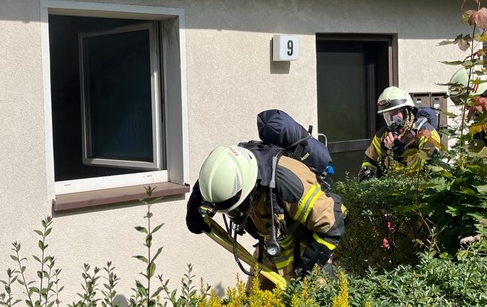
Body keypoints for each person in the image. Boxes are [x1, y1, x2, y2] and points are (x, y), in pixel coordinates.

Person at [186, 145, 346, 289]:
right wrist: (194, 205)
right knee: (253, 299)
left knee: (306, 299)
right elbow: (209, 179)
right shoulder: (232, 168)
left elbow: (332, 225)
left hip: (307, 248)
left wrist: (307, 270)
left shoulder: (290, 187)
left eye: (236, 210)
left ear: (249, 190)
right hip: (271, 250)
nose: (234, 215)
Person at [358, 86, 442, 181]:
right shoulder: (383, 135)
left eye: (394, 113)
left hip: (419, 192)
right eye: (387, 115)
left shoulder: (426, 133)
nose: (391, 119)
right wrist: (366, 174)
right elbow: (370, 159)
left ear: (407, 111)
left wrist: (402, 154)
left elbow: (431, 169)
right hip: (392, 191)